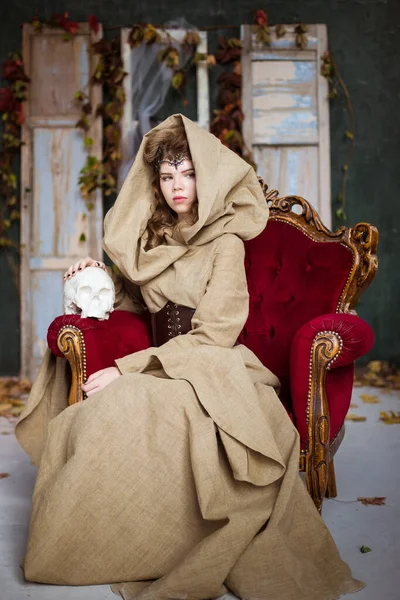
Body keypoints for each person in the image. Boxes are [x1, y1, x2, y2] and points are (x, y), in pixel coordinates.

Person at [16, 114, 363, 600]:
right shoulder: (153, 241)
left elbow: (217, 333)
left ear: (207, 176)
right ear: (156, 184)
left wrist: (124, 369)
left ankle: (166, 540)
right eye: (167, 176)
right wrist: (92, 279)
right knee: (89, 421)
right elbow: (133, 307)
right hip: (166, 361)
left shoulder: (226, 243)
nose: (178, 185)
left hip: (215, 366)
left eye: (188, 172)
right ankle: (108, 538)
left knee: (147, 409)